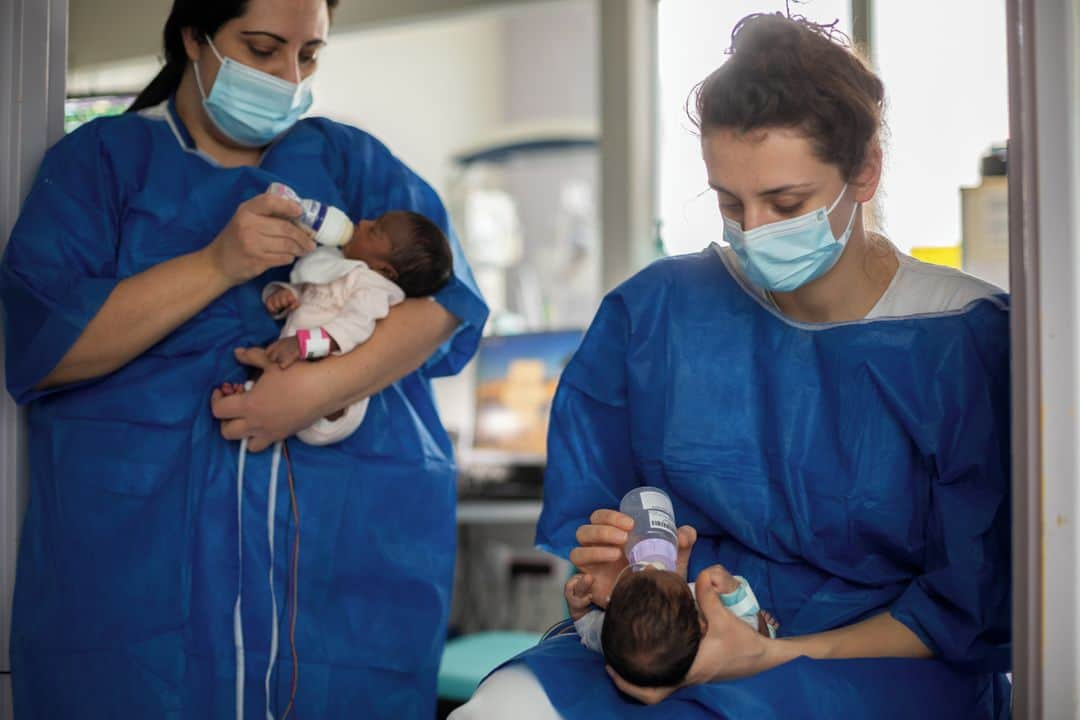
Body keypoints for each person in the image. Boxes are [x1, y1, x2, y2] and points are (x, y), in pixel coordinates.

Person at [451, 13, 1010, 720]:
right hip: (673, 640)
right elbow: (603, 531)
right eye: (728, 203)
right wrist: (615, 594)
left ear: (864, 170)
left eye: (786, 203)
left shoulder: (966, 339)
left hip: (880, 665)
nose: (753, 232)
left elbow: (970, 608)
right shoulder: (656, 313)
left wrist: (768, 654)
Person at [0, 1, 487, 718]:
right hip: (136, 571)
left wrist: (314, 391)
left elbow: (448, 302)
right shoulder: (102, 165)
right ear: (196, 36)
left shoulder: (354, 167)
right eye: (262, 49)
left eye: (309, 55)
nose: (289, 78)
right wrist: (217, 264)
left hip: (337, 572)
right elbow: (46, 346)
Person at [219, 206, 454, 445]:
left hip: (332, 408)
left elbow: (350, 330)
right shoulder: (336, 262)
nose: (363, 222)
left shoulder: (372, 291)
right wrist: (287, 295)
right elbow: (312, 293)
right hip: (293, 362)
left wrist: (303, 345)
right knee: (270, 371)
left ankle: (272, 403)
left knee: (314, 411)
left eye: (374, 231)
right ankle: (247, 395)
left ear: (384, 270)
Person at [566, 564, 777, 689]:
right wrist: (734, 592)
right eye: (674, 582)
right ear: (702, 624)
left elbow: (585, 629)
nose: (649, 566)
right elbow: (757, 645)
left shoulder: (609, 632)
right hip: (752, 641)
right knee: (761, 629)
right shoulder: (721, 643)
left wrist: (578, 609)